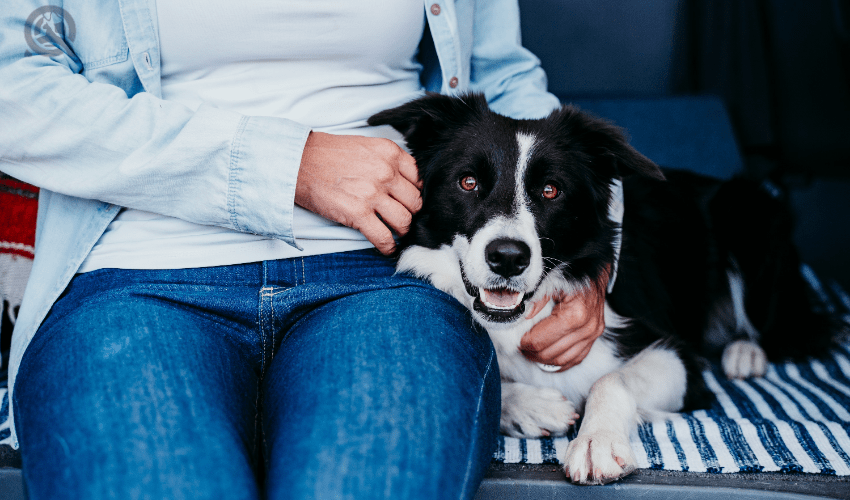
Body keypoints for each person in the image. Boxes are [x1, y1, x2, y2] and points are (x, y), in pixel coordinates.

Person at [0, 1, 607, 498]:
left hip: (391, 280)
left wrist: (590, 260)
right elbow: (14, 95)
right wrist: (286, 163)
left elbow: (505, 83)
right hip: (133, 279)